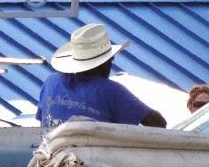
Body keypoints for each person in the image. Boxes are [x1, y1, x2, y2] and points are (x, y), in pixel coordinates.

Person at [38, 24, 166, 129]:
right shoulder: (111, 90)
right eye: (111, 59)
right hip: (95, 158)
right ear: (106, 61)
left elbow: (42, 118)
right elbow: (158, 122)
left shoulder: (50, 82)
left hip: (50, 155)